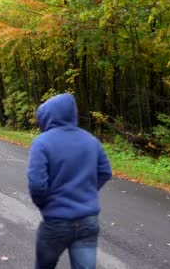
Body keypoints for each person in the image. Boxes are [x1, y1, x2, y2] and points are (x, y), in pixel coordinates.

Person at [27, 93, 112, 269]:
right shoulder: (91, 141)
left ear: (47, 117)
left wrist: (45, 204)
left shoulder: (42, 143)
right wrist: (86, 192)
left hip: (55, 222)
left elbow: (37, 184)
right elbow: (105, 171)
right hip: (88, 221)